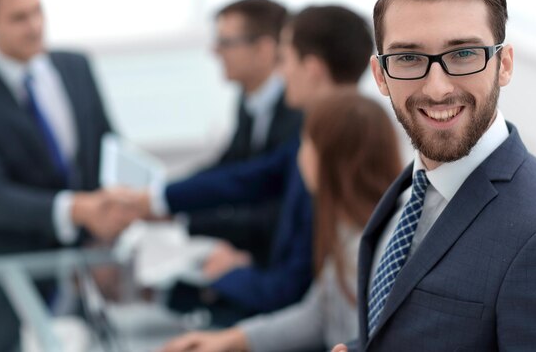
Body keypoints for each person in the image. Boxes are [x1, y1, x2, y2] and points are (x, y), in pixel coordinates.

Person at [332, 0, 536, 352]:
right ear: (381, 75)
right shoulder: (414, 189)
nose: (437, 88)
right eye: (408, 58)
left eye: (463, 54)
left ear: (504, 64)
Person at [138, 5, 374, 326]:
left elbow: (292, 288)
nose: (282, 72)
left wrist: (229, 275)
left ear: (313, 69)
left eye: (285, 59)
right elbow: (246, 177)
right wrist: (156, 200)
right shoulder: (314, 135)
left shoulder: (331, 152)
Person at [158, 90, 402, 352]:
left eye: (305, 142)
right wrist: (230, 340)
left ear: (330, 160)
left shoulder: (370, 249)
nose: (299, 154)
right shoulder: (348, 231)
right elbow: (316, 316)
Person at [0, 0, 138, 351]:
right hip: (7, 281)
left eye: (37, 11)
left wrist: (104, 234)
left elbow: (107, 151)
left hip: (83, 272)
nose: (34, 26)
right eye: (18, 17)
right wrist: (77, 210)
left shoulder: (75, 67)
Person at [186, 0, 302, 265]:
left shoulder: (298, 113)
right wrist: (163, 197)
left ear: (263, 49)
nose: (214, 52)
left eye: (225, 43)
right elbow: (228, 167)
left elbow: (276, 210)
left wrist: (183, 218)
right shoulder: (248, 99)